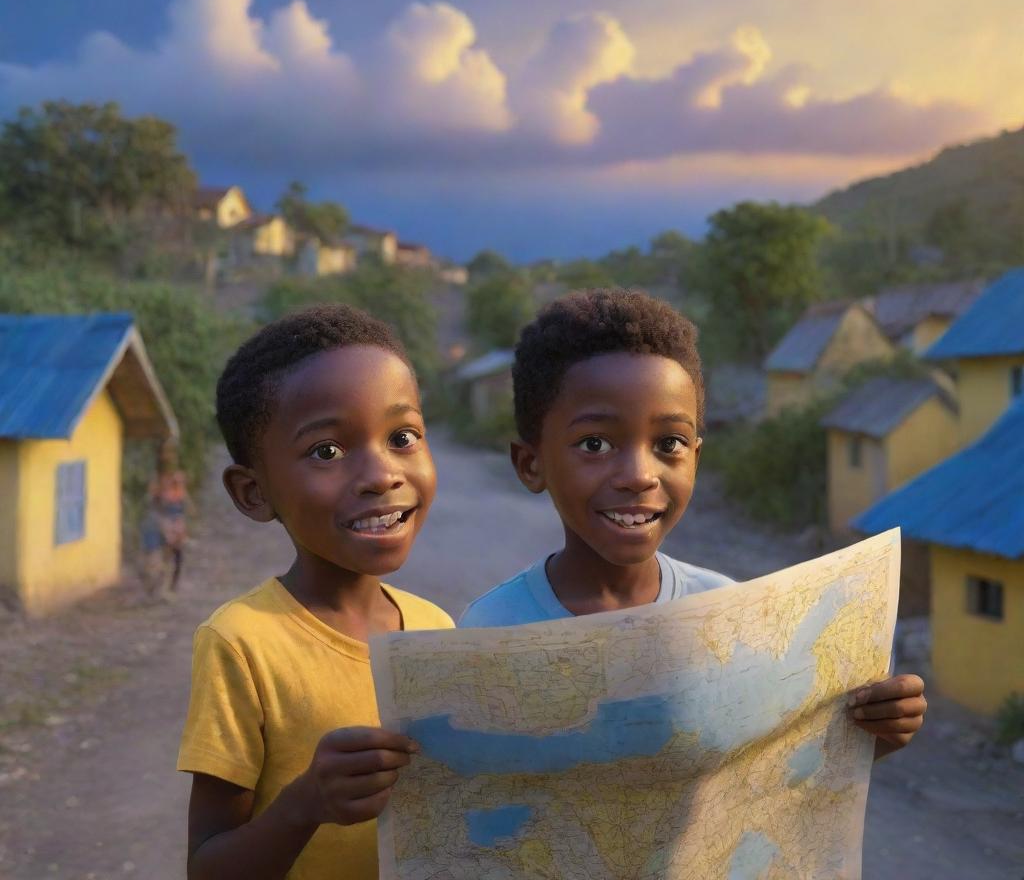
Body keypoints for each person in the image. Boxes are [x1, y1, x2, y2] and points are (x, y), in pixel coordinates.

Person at [460, 289, 927, 758]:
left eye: (669, 444)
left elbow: (776, 767)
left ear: (696, 459)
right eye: (595, 444)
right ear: (530, 464)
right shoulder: (488, 633)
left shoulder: (729, 617)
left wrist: (871, 737)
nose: (640, 476)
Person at [178, 305, 453, 880]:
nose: (382, 474)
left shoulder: (437, 630)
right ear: (254, 493)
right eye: (327, 451)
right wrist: (304, 805)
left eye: (402, 437)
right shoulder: (242, 643)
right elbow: (207, 867)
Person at [139, 437, 191, 599]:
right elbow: (153, 503)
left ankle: (166, 589)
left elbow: (182, 500)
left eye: (172, 453)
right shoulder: (157, 479)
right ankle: (154, 589)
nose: (170, 457)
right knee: (154, 558)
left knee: (174, 556)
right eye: (167, 453)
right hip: (159, 519)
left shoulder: (177, 477)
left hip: (174, 518)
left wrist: (179, 523)